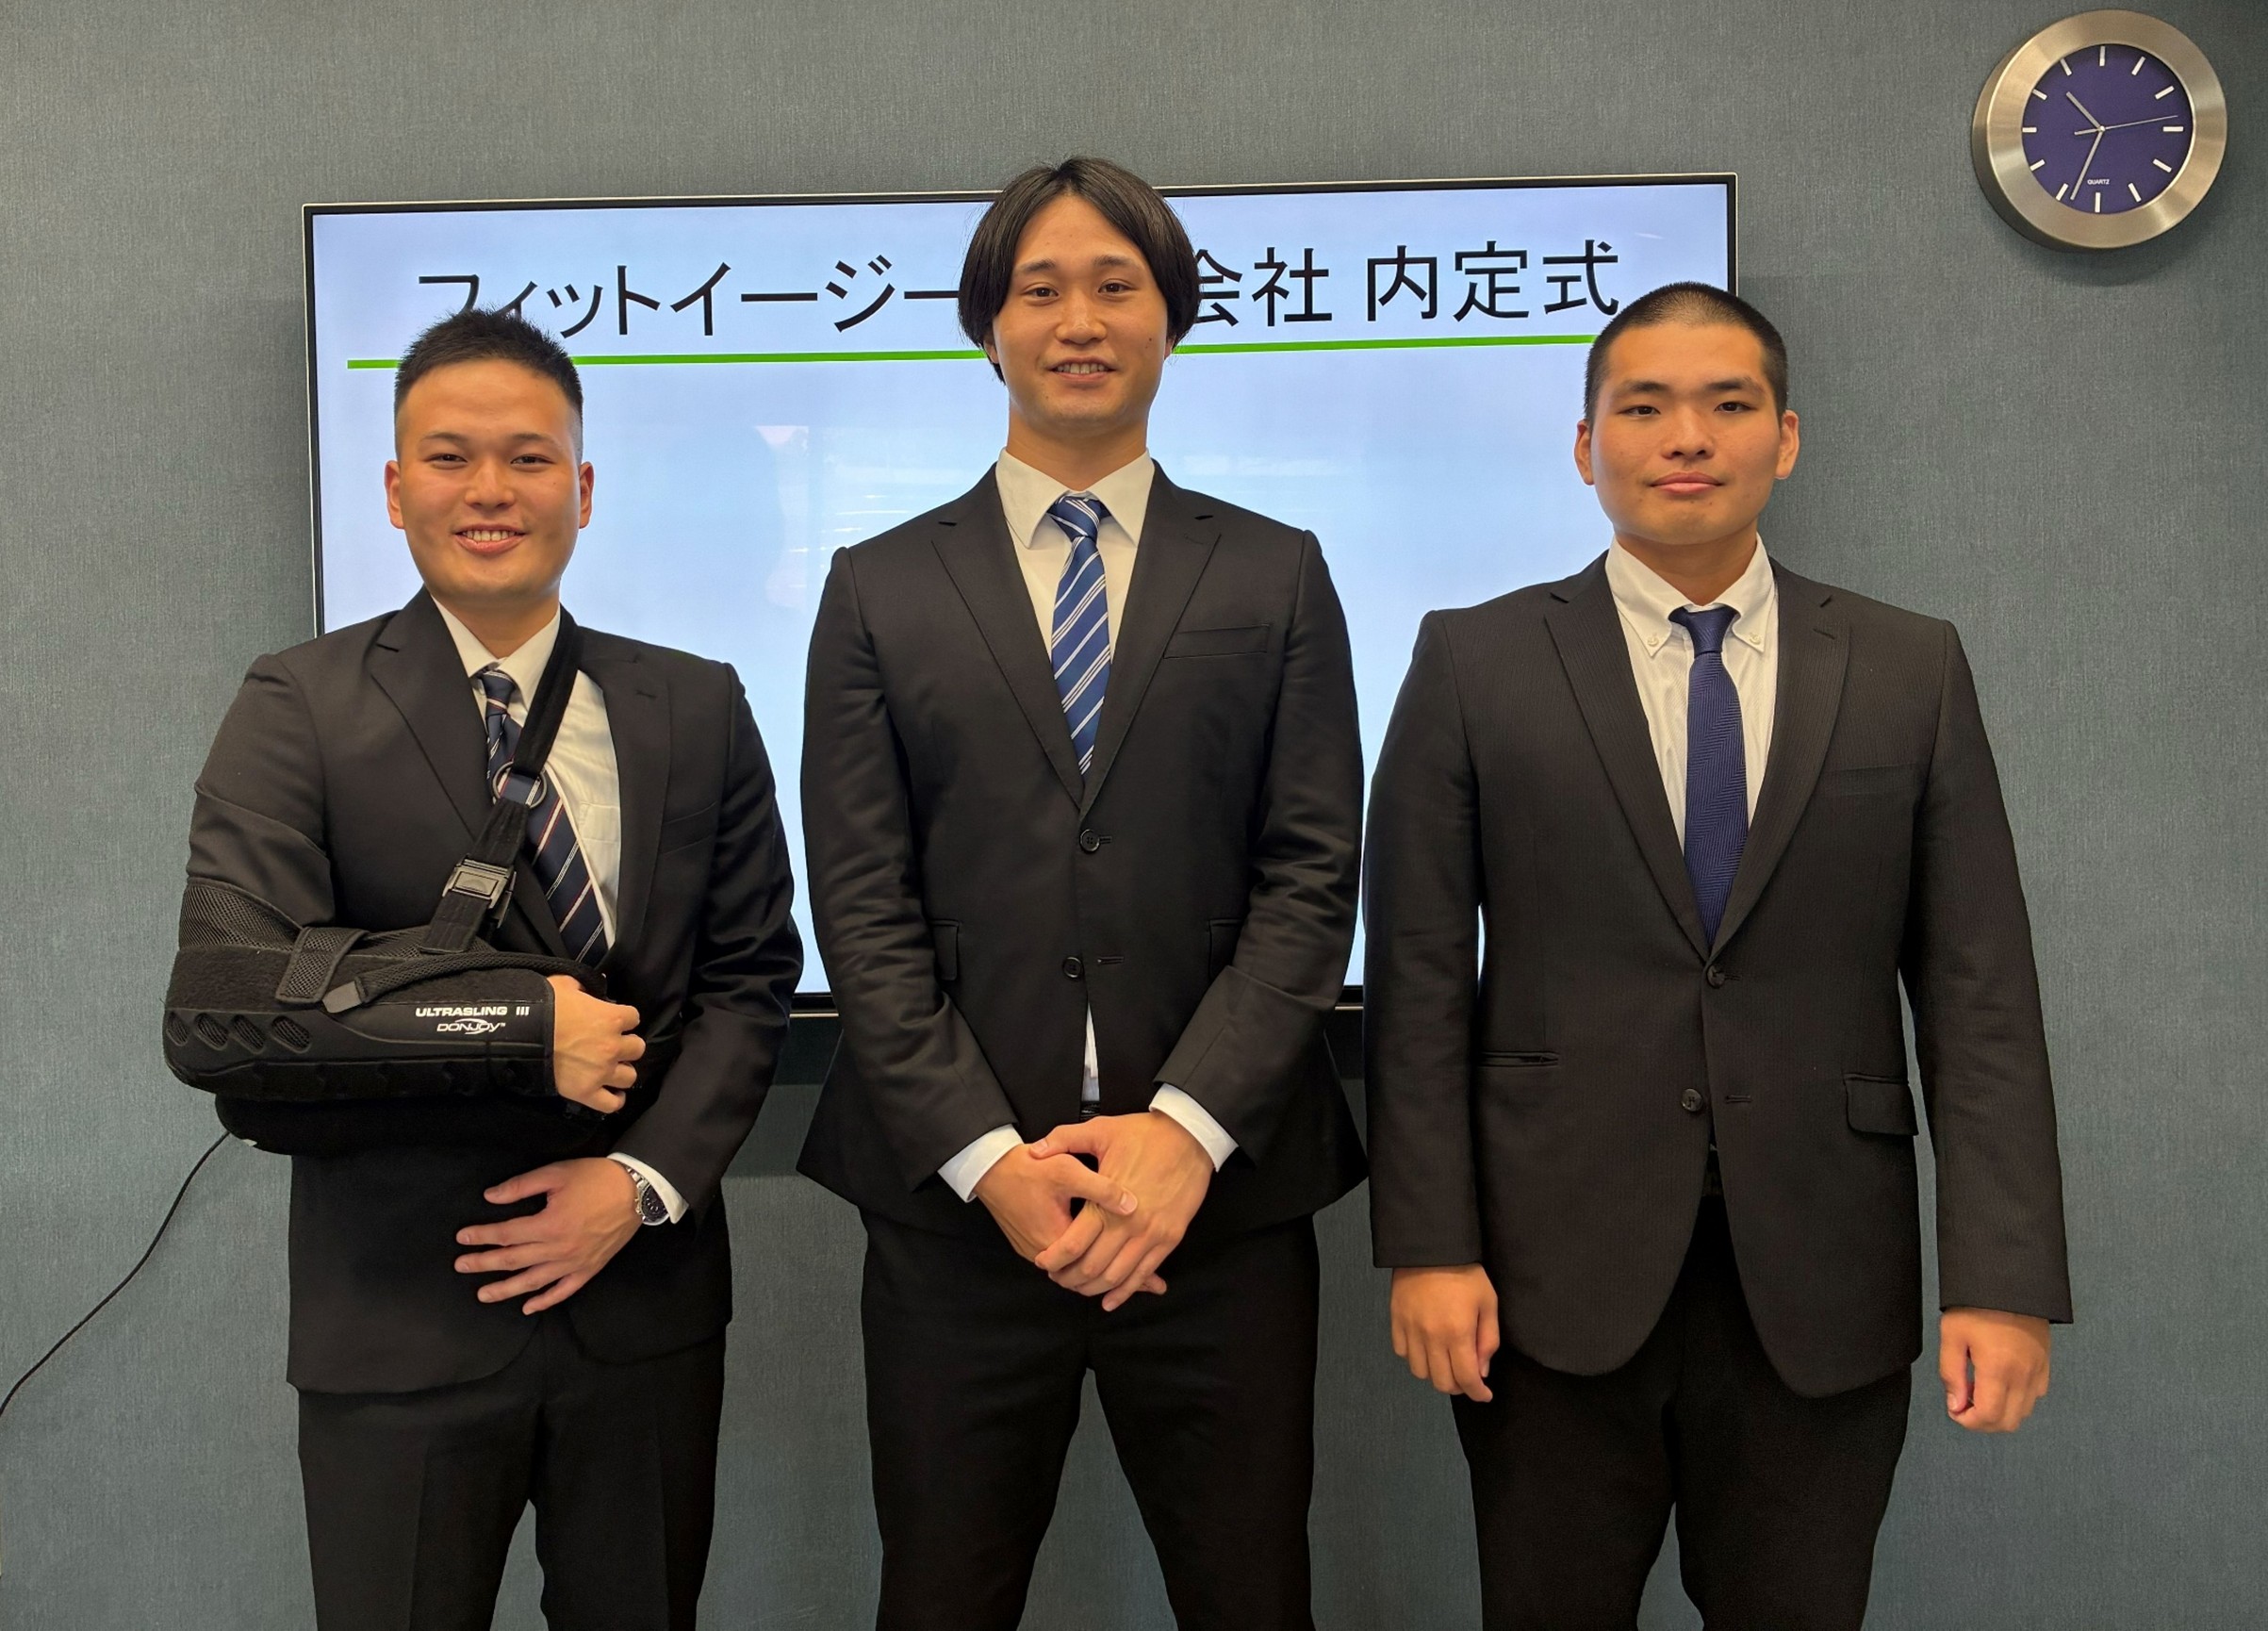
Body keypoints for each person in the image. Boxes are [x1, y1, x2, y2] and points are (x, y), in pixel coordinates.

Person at [1363, 283, 2071, 1629]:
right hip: (1546, 1277)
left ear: (1784, 438)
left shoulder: (1908, 667)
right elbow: (1414, 982)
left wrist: (2002, 1277)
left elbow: (1980, 994)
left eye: (1727, 403)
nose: (1685, 436)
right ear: (1586, 446)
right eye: (1643, 406)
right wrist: (1428, 1246)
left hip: (1822, 1270)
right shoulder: (1474, 661)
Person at [797, 157, 1366, 1631]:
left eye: (1117, 285)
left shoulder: (1275, 574)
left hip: (1217, 1212)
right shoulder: (876, 586)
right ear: (986, 324)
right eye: (1039, 288)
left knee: (1251, 1595)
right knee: (941, 1596)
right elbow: (859, 904)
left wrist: (1185, 1134)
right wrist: (989, 1158)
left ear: (1170, 319)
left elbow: (1311, 878)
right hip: (961, 1219)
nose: (1079, 320)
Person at [179, 308, 802, 1629]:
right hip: (397, 1308)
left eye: (528, 458)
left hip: (642, 1308)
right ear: (394, 487)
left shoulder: (696, 704)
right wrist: (522, 1026)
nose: (489, 490)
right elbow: (229, 1008)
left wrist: (639, 1185)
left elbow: (751, 978)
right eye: (449, 456)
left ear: (583, 487)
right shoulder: (299, 703)